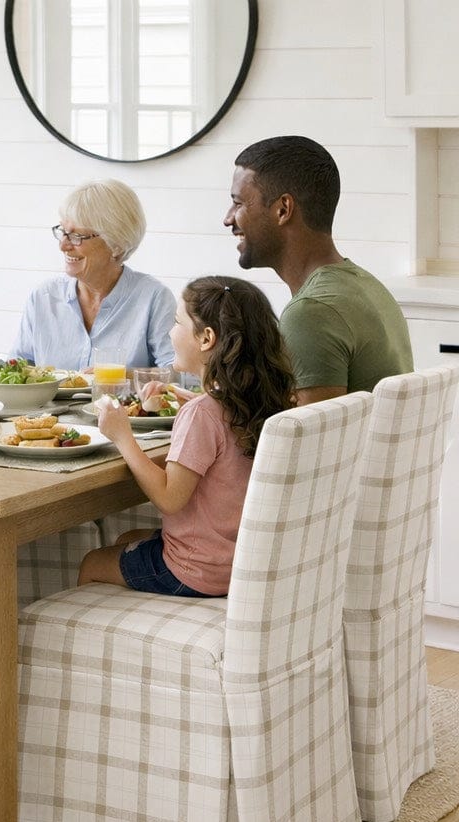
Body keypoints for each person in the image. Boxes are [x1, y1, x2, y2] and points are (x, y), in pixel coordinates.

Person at [79, 276, 296, 597]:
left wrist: (122, 436)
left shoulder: (201, 414)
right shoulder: (258, 401)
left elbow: (169, 498)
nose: (170, 332)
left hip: (196, 570)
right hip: (239, 560)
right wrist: (193, 401)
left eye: (177, 323)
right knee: (128, 539)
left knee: (92, 563)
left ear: (206, 338)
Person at [225, 135, 413, 406]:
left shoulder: (311, 312)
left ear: (283, 209)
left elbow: (310, 434)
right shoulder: (368, 286)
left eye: (238, 203)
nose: (228, 218)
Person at [0, 178, 176, 371]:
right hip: (46, 411)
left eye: (77, 236)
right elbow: (25, 367)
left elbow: (179, 375)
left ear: (116, 244)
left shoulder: (153, 298)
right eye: (63, 232)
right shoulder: (44, 296)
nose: (63, 245)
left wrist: (122, 377)